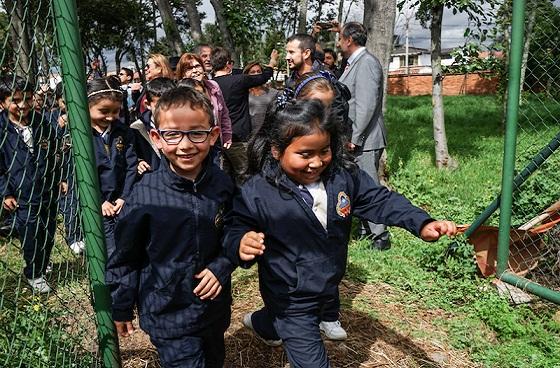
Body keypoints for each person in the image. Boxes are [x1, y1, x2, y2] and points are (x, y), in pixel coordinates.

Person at [224, 99, 458, 368]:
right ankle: (276, 321)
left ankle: (264, 324)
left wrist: (421, 222)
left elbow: (380, 200)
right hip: (289, 296)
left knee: (279, 319)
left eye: (323, 151)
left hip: (327, 279)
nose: (316, 162)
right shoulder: (258, 191)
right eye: (305, 154)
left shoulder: (342, 176)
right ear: (277, 151)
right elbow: (236, 225)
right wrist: (240, 242)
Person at [107, 87, 236, 368]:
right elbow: (126, 255)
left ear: (213, 135)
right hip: (167, 311)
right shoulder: (144, 195)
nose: (185, 145)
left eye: (197, 133)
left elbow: (233, 231)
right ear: (156, 138)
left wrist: (222, 266)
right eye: (173, 134)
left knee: (214, 359)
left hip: (213, 309)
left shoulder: (222, 184)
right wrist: (121, 305)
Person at [0, 76, 65, 293]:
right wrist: (5, 193)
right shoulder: (2, 129)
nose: (23, 105)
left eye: (28, 99)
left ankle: (43, 261)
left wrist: (60, 178)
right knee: (31, 231)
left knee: (48, 231)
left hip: (46, 187)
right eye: (16, 100)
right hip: (21, 193)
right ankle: (34, 273)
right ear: (3, 103)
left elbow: (54, 151)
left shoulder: (40, 122)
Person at [336, 21, 390, 250]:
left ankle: (381, 236)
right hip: (358, 138)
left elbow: (366, 106)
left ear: (349, 40)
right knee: (359, 185)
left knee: (369, 185)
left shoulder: (366, 63)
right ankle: (367, 228)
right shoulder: (354, 63)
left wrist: (355, 138)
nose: (338, 43)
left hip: (365, 140)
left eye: (340, 38)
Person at [211, 47, 279, 184]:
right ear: (228, 64)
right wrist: (272, 63)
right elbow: (263, 77)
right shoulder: (238, 81)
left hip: (217, 140)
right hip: (238, 139)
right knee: (247, 176)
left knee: (227, 176)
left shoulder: (208, 85)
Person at [87, 77, 137, 257]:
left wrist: (124, 197)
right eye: (103, 111)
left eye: (116, 111)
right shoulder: (82, 136)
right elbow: (82, 174)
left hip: (122, 200)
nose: (110, 117)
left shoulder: (124, 132)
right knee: (111, 249)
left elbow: (132, 166)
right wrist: (99, 201)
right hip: (98, 203)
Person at [49, 82, 85, 255]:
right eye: (64, 101)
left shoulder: (85, 115)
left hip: (84, 165)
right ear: (58, 101)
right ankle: (74, 237)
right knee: (70, 203)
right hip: (64, 167)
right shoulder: (52, 118)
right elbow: (48, 143)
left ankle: (87, 233)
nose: (69, 105)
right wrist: (59, 126)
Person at [176, 53, 232, 151]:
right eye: (189, 68)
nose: (195, 71)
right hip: (195, 144)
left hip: (216, 141)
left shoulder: (213, 86)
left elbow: (224, 114)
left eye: (197, 66)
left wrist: (227, 135)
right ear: (183, 74)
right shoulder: (179, 93)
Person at [130, 77, 176, 175]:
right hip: (153, 176)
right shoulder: (137, 128)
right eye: (160, 106)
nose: (166, 111)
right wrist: (139, 162)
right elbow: (132, 154)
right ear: (147, 104)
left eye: (171, 105)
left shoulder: (183, 124)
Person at [243, 61, 279, 134]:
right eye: (252, 72)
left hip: (268, 134)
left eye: (258, 71)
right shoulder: (242, 94)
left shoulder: (274, 93)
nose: (256, 74)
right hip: (248, 135)